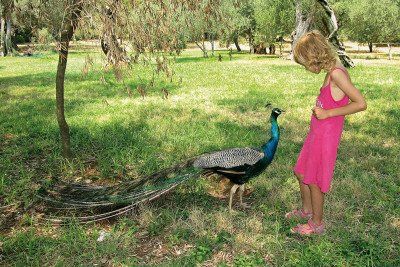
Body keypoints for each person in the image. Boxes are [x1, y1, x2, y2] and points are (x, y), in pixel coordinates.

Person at [285, 30, 367, 235]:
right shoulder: (330, 71)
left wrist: (328, 112)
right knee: (301, 172)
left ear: (314, 58)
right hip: (316, 133)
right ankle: (306, 211)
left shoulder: (337, 74)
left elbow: (361, 103)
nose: (305, 68)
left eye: (305, 63)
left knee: (314, 180)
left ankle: (317, 224)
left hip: (326, 137)